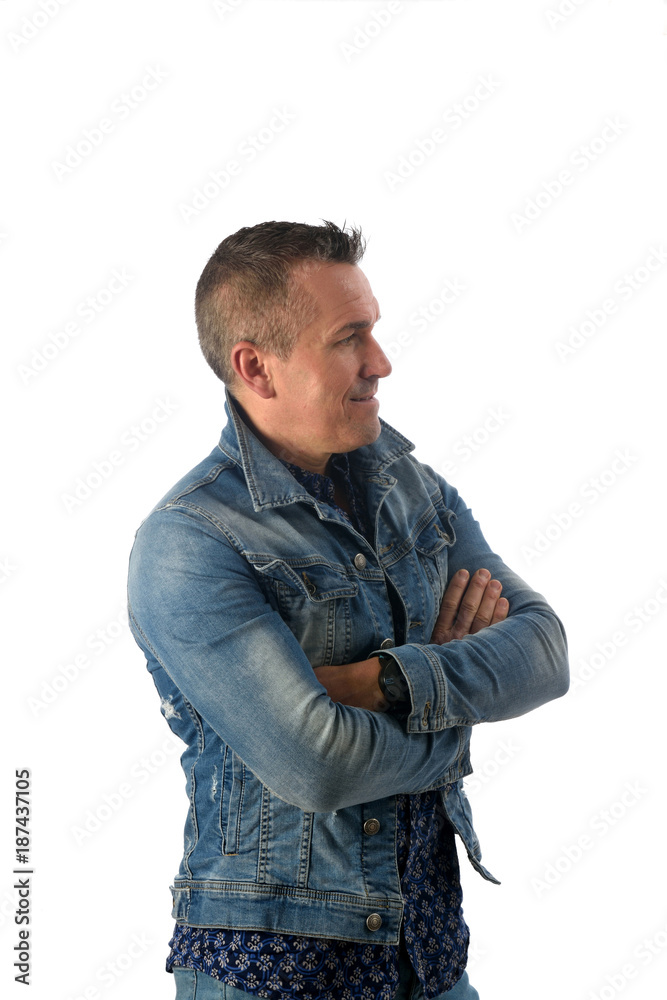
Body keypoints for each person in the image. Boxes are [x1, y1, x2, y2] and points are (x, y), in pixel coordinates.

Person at [126, 220, 569, 1000]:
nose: (380, 362)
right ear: (255, 367)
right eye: (348, 339)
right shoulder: (189, 543)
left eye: (374, 332)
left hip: (426, 958)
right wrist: (458, 720)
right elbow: (318, 763)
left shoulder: (414, 491)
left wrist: (375, 682)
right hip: (273, 973)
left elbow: (543, 653)